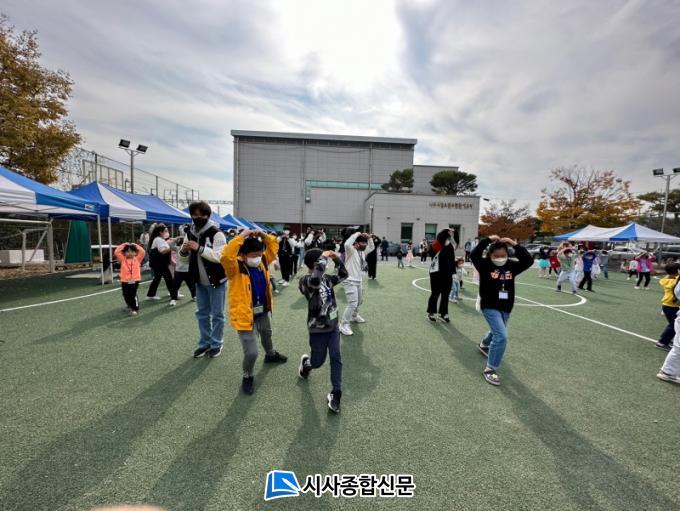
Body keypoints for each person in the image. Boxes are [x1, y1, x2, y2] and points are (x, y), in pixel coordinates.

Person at [221, 228, 287, 395]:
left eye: (259, 253)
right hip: (245, 316)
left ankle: (270, 355)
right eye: (253, 255)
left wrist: (263, 235)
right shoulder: (234, 267)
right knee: (251, 353)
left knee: (267, 334)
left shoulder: (262, 260)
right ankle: (248, 375)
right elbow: (226, 256)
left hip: (262, 311)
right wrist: (241, 236)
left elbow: (274, 246)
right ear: (243, 255)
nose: (257, 257)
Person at [471, 235, 534, 386]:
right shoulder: (484, 265)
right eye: (496, 256)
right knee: (501, 336)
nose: (500, 258)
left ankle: (484, 344)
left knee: (498, 331)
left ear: (507, 254)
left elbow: (528, 260)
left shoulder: (512, 266)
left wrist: (513, 244)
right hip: (489, 305)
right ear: (490, 255)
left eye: (503, 255)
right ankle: (490, 369)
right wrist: (487, 240)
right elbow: (474, 254)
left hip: (506, 306)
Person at [298, 248, 349, 413]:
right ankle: (307, 364)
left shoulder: (327, 279)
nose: (324, 264)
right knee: (317, 362)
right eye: (321, 262)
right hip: (317, 330)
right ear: (314, 264)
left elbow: (344, 274)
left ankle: (336, 393)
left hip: (333, 326)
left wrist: (336, 258)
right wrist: (324, 257)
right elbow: (315, 281)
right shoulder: (305, 281)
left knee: (336, 357)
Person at [180, 201, 227, 359]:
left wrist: (199, 248)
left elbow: (220, 257)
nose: (197, 218)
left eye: (201, 215)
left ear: (208, 215)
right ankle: (204, 343)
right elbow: (183, 260)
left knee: (217, 314)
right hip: (199, 281)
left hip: (217, 281)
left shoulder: (217, 233)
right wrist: (184, 251)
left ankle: (216, 343)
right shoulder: (189, 233)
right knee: (202, 314)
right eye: (194, 215)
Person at [339, 230, 375, 336]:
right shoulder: (350, 250)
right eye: (362, 243)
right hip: (349, 280)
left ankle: (354, 316)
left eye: (365, 243)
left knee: (359, 301)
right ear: (356, 243)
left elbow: (372, 247)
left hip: (358, 280)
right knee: (352, 303)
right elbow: (346, 243)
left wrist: (369, 238)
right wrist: (357, 234)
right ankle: (344, 324)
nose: (365, 245)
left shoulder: (362, 252)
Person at [426, 229, 456, 323]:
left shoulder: (450, 246)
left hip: (447, 274)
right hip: (436, 273)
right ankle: (431, 312)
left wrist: (454, 272)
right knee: (435, 293)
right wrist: (445, 232)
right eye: (448, 235)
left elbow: (452, 260)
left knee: (445, 294)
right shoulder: (436, 244)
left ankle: (443, 313)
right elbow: (430, 253)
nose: (449, 238)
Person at [146, 223, 178, 305]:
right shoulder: (158, 239)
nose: (167, 232)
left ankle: (150, 294)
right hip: (160, 264)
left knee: (157, 279)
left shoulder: (159, 239)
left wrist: (174, 241)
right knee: (169, 279)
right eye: (165, 231)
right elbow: (163, 251)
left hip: (159, 263)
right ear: (160, 232)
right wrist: (173, 248)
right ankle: (174, 297)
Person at [114, 242, 145, 316]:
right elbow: (116, 252)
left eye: (132, 251)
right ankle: (129, 305)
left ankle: (135, 308)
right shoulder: (122, 259)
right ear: (124, 253)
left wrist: (135, 245)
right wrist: (124, 244)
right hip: (125, 280)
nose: (130, 253)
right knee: (125, 294)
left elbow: (142, 252)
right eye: (127, 251)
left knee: (133, 294)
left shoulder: (137, 259)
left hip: (135, 280)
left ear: (135, 253)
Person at [656, 263, 680, 352]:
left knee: (673, 324)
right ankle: (662, 342)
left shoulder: (666, 279)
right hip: (671, 306)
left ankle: (666, 339)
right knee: (674, 325)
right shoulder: (673, 282)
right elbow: (676, 281)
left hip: (669, 305)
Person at [172, 226, 196, 301]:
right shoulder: (178, 248)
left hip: (188, 270)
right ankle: (173, 298)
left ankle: (194, 296)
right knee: (175, 285)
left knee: (191, 285)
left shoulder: (190, 249)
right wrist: (175, 239)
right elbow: (171, 246)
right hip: (179, 270)